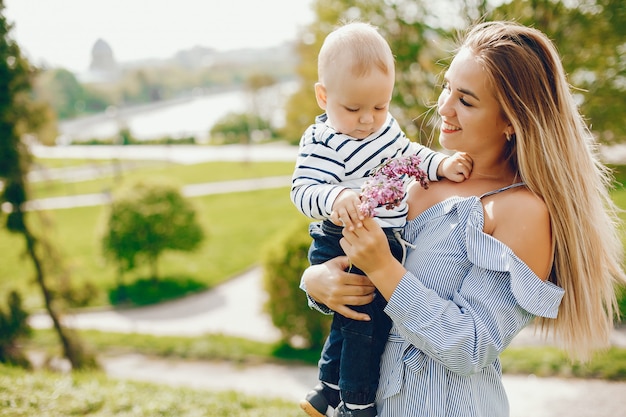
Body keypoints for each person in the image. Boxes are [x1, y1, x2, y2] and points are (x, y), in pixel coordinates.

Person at [300, 20, 626, 417]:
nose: (444, 106)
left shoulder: (520, 211)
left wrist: (383, 267)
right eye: (446, 86)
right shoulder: (413, 177)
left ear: (511, 120)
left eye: (466, 101)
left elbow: (470, 346)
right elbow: (360, 289)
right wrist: (318, 284)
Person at [291, 22, 472, 417]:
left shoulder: (384, 129)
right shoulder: (323, 141)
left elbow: (408, 156)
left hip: (383, 238)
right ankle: (357, 404)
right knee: (362, 325)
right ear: (323, 96)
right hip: (343, 235)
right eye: (353, 108)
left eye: (379, 106)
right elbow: (302, 190)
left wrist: (440, 164)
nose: (368, 120)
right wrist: (336, 196)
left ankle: (327, 390)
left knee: (349, 318)